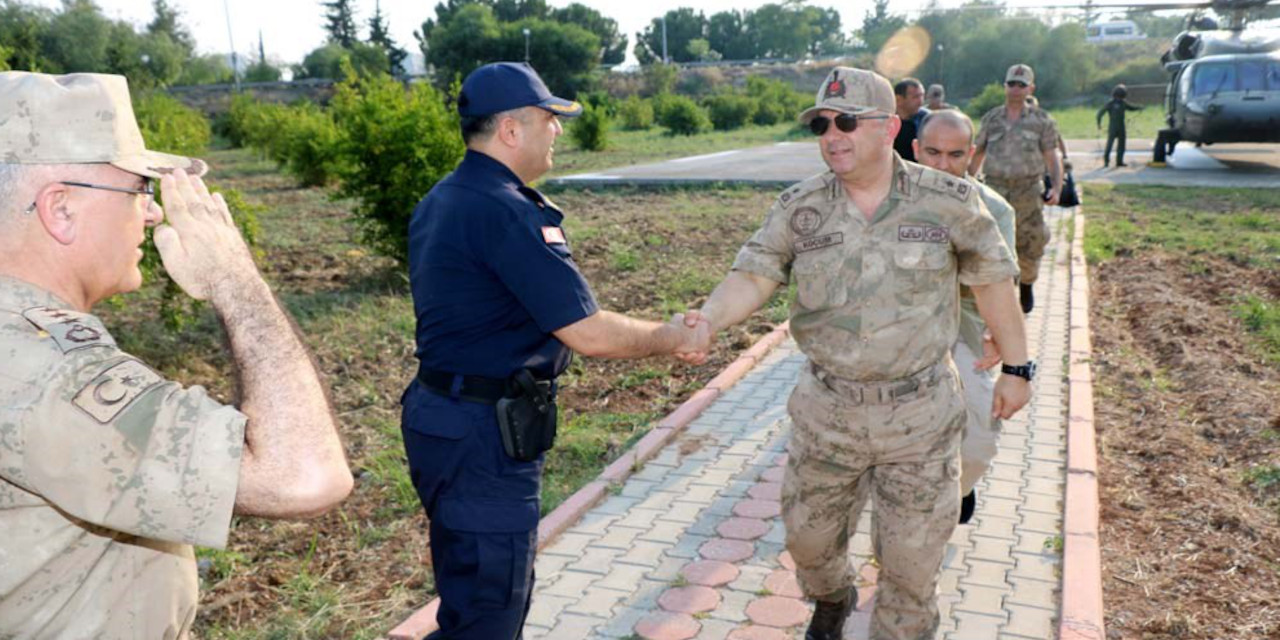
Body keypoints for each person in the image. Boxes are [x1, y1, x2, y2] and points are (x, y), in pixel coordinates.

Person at [680, 66, 1033, 640]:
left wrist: (1018, 368)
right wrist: (707, 320)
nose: (831, 134)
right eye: (821, 123)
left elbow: (995, 281)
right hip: (828, 411)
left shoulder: (949, 199)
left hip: (918, 414)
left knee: (910, 569)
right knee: (808, 542)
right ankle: (833, 595)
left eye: (847, 121)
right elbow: (754, 273)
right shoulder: (801, 207)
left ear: (890, 127)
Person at [0, 72, 353, 638]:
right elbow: (305, 475)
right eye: (138, 190)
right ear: (59, 209)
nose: (153, 213)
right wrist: (234, 280)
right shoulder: (44, 369)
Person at [401, 62, 710, 640]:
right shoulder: (506, 210)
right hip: (484, 440)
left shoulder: (444, 198)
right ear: (512, 131)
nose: (558, 132)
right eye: (550, 119)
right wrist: (675, 336)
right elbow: (586, 332)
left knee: (468, 591)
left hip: (441, 419)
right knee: (489, 614)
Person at [913, 109, 1019, 525]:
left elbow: (1002, 287)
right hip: (895, 333)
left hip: (961, 331)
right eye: (933, 153)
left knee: (977, 440)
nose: (943, 165)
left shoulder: (994, 210)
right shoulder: (886, 201)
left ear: (971, 154)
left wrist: (1003, 339)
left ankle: (958, 489)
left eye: (955, 155)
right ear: (915, 150)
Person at [970, 64, 1063, 315]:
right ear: (1005, 86)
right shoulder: (992, 119)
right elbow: (977, 153)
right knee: (994, 242)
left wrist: (1056, 187)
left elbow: (1052, 157)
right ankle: (1001, 291)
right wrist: (966, 183)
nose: (1016, 89)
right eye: (1012, 83)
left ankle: (1026, 284)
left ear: (1031, 88)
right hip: (995, 190)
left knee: (1030, 243)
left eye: (1022, 85)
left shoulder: (1041, 120)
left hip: (1028, 191)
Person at [1096, 84, 1143, 167]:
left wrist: (1099, 124)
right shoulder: (1122, 103)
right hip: (1120, 127)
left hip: (1113, 127)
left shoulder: (1110, 103)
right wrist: (1139, 108)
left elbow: (1099, 114)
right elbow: (1131, 108)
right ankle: (1118, 161)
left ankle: (1108, 162)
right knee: (1120, 145)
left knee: (1110, 145)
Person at [892, 77, 929, 162]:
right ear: (899, 100)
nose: (921, 101)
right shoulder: (886, 123)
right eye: (915, 97)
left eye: (922, 96)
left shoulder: (927, 120)